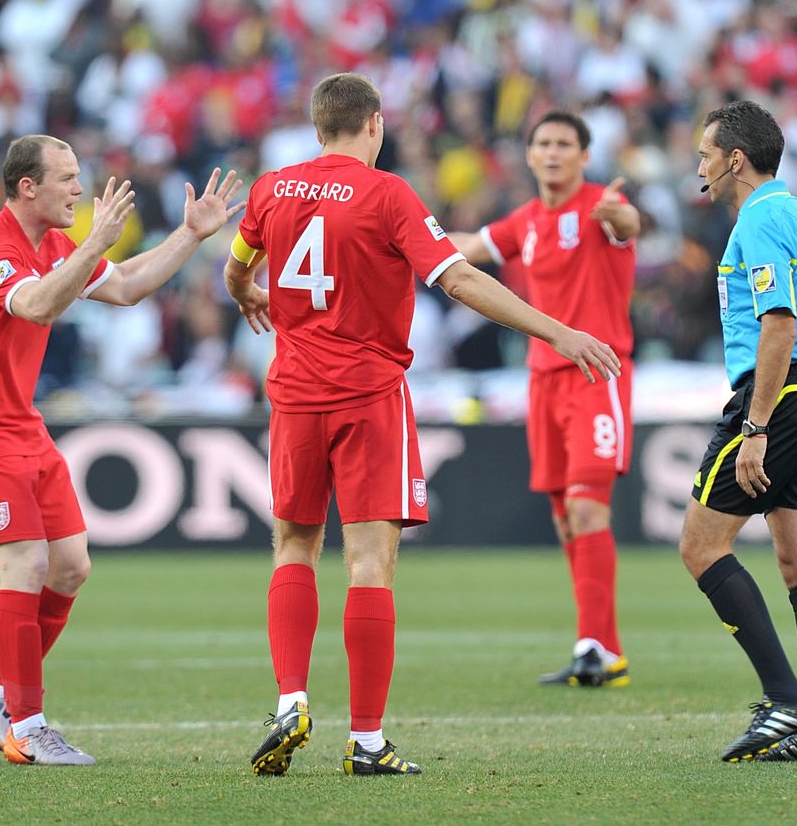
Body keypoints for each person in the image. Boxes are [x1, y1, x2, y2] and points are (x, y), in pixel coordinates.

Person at [223, 73, 622, 777]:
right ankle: (368, 741)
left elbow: (235, 268)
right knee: (369, 562)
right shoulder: (387, 194)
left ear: (318, 127)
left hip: (291, 391)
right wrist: (557, 331)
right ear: (374, 124)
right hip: (368, 392)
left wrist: (247, 291)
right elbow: (460, 280)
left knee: (293, 544)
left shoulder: (271, 189)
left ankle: (290, 698)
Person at [0, 134, 243, 766]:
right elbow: (38, 306)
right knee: (26, 566)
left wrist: (192, 235)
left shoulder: (50, 245)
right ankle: (28, 725)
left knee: (71, 567)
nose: (80, 188)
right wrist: (95, 243)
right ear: (27, 187)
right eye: (68, 178)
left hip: (20, 422)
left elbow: (125, 285)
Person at [683, 100, 797, 763]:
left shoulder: (757, 221)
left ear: (735, 159)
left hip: (779, 393)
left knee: (699, 545)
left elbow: (777, 323)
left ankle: (787, 698)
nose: (700, 167)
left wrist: (755, 424)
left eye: (705, 155)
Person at [448, 111, 639, 689]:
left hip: (595, 373)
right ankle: (601, 649)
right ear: (529, 156)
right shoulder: (526, 221)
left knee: (587, 507)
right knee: (563, 517)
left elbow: (629, 224)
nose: (553, 153)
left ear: (584, 156)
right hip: (541, 380)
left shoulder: (599, 209)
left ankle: (596, 649)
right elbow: (467, 247)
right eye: (543, 144)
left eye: (565, 144)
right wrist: (397, 239)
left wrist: (623, 215)